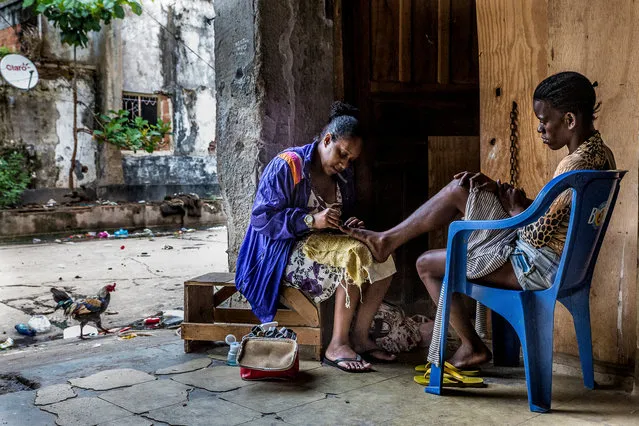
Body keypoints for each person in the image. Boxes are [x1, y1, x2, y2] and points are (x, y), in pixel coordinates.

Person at [342, 71, 616, 368]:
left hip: (536, 265)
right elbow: (562, 212)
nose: (540, 128)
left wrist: (514, 209)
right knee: (463, 188)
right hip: (562, 263)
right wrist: (503, 193)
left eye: (544, 120)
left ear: (570, 120)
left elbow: (536, 235)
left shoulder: (572, 166)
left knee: (426, 265)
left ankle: (472, 346)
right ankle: (386, 240)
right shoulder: (602, 155)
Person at [236, 102, 397, 372]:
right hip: (277, 254)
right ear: (326, 140)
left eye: (351, 160)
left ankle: (359, 337)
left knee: (384, 257)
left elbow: (330, 226)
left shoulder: (342, 178)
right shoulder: (288, 165)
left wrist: (345, 224)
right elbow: (262, 220)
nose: (345, 164)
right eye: (342, 154)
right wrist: (310, 220)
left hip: (316, 247)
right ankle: (337, 344)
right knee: (352, 256)